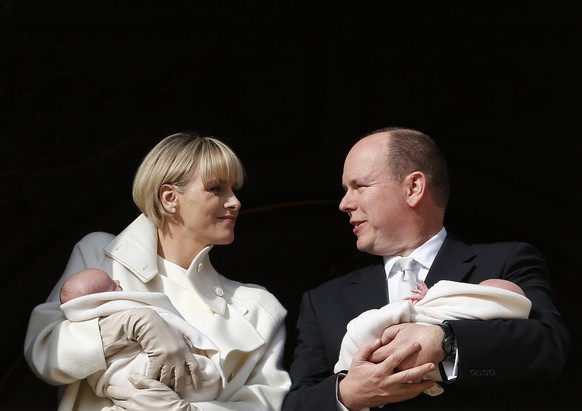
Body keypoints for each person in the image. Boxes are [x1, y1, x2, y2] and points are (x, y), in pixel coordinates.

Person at [282, 127, 571, 411]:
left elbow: (549, 348)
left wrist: (446, 341)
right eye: (345, 190)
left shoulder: (506, 261)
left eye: (360, 186)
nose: (345, 203)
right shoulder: (322, 301)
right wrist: (346, 395)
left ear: (414, 188)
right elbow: (296, 403)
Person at [24, 132, 291, 411]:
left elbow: (265, 403)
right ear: (169, 198)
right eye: (216, 189)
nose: (235, 202)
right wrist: (129, 324)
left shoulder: (260, 307)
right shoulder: (101, 255)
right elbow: (45, 354)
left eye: (234, 189)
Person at [334, 278, 532, 397]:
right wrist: (347, 393)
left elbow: (539, 340)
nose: (478, 288)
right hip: (371, 363)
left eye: (483, 288)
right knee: (365, 331)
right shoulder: (321, 298)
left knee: (368, 328)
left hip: (437, 373)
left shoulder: (511, 258)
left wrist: (444, 337)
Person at [59, 267, 225, 403]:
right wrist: (130, 322)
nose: (118, 282)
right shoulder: (95, 247)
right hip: (129, 374)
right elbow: (56, 345)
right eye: (112, 285)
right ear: (103, 299)